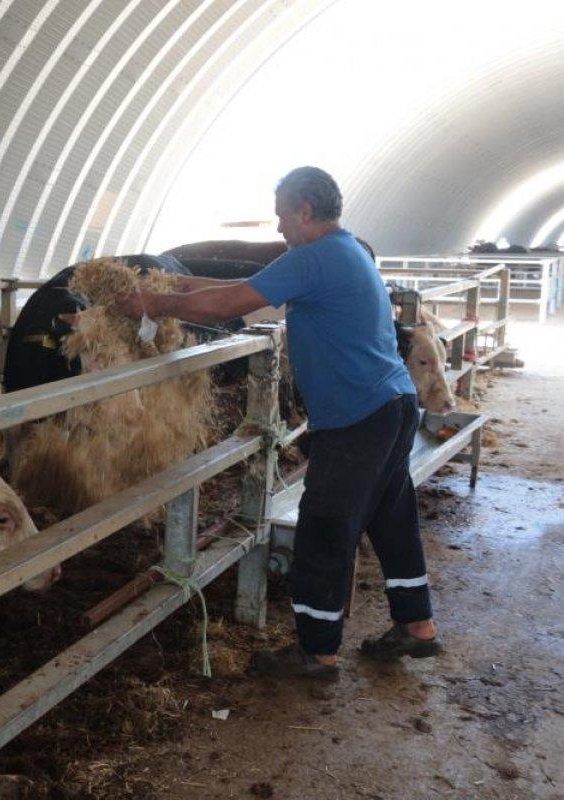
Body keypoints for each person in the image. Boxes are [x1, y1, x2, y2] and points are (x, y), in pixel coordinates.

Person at [116, 166, 440, 679]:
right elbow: (242, 285)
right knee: (390, 516)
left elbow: (230, 303)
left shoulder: (314, 258)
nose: (279, 227)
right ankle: (417, 626)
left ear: (305, 212)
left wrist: (159, 303)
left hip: (357, 418)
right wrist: (175, 282)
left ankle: (317, 653)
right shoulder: (344, 249)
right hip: (391, 406)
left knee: (323, 529)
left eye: (283, 216)